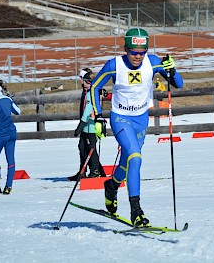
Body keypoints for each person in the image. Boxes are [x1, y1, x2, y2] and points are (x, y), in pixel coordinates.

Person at [90, 28, 184, 227]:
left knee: (128, 161)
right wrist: (98, 117)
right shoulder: (114, 65)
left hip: (141, 120)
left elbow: (179, 84)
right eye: (133, 52)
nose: (138, 56)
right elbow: (95, 86)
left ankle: (112, 185)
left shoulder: (154, 62)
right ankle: (136, 211)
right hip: (121, 118)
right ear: (126, 49)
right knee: (135, 157)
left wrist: (172, 70)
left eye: (142, 52)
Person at [72, 71, 106, 180]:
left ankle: (95, 171)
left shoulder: (92, 93)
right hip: (87, 127)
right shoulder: (87, 92)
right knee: (83, 148)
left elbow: (87, 112)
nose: (82, 83)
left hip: (91, 127)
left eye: (84, 81)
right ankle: (84, 171)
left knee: (91, 149)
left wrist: (79, 127)